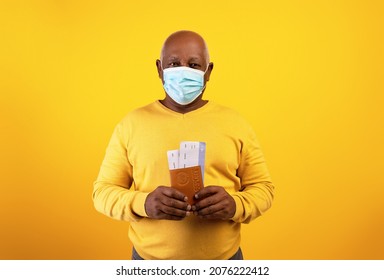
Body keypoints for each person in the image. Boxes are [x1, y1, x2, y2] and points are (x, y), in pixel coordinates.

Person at [93, 30, 274, 260]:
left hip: (224, 262)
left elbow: (264, 188)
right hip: (149, 264)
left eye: (194, 64)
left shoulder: (236, 124)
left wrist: (235, 205)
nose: (183, 71)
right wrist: (144, 203)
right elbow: (102, 192)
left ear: (208, 72)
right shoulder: (131, 124)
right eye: (174, 63)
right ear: (159, 69)